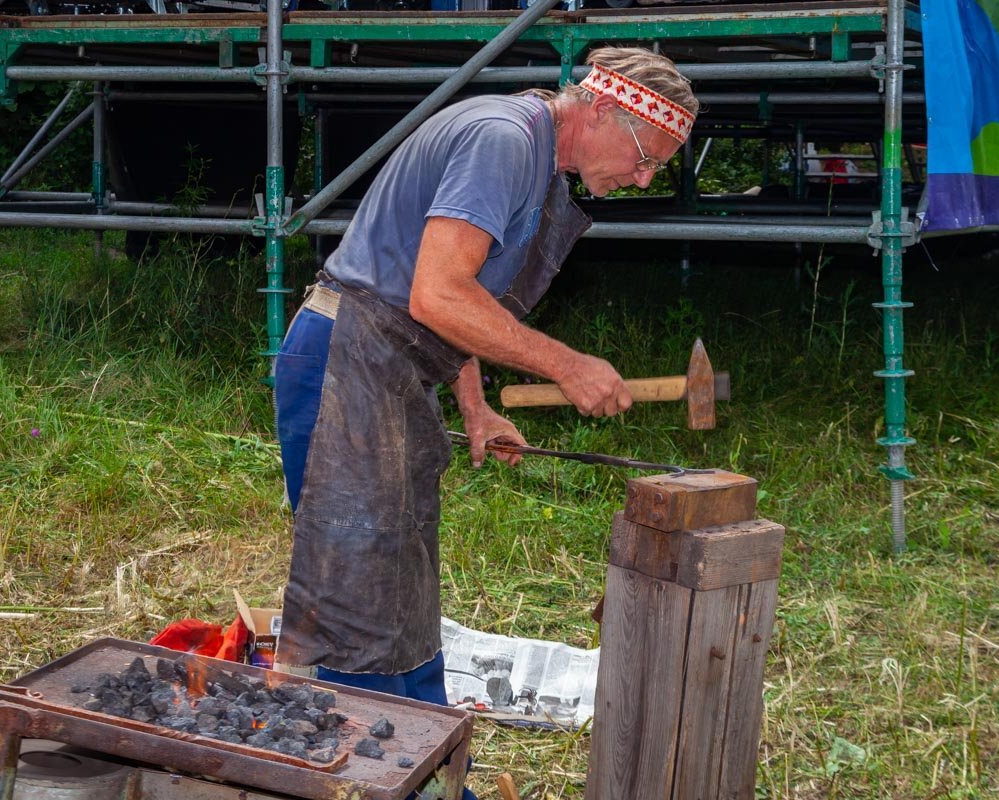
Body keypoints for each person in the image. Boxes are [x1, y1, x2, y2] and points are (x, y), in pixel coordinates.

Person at [271, 45, 698, 778]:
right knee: (354, 598)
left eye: (656, 167)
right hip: (346, 359)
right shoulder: (503, 140)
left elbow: (458, 298)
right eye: (644, 157)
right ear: (602, 110)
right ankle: (359, 774)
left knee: (403, 586)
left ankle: (423, 774)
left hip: (394, 368)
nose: (643, 178)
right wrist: (567, 364)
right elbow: (436, 295)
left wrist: (475, 409)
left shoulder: (535, 164)